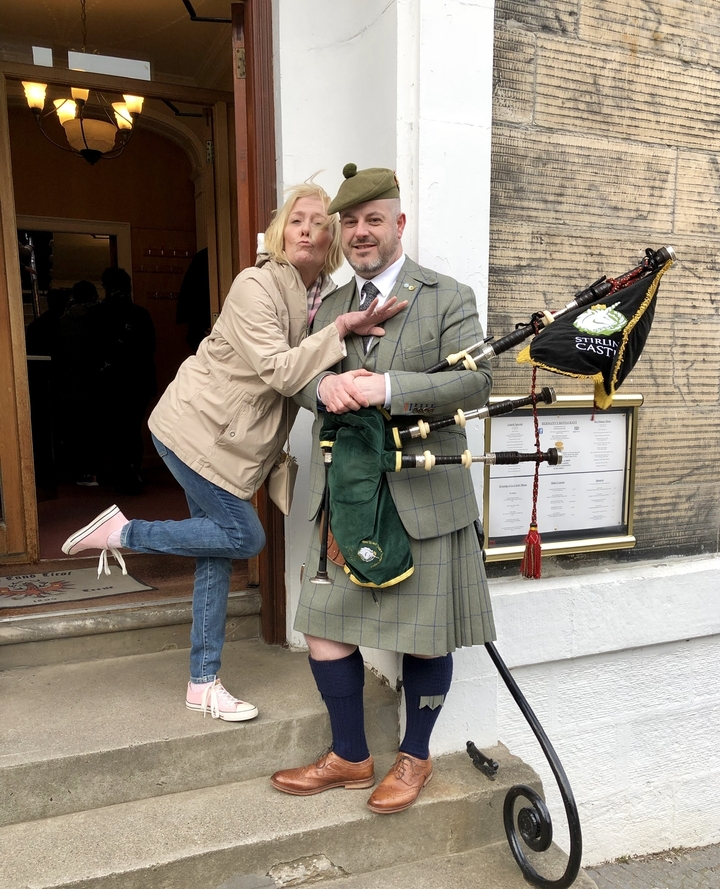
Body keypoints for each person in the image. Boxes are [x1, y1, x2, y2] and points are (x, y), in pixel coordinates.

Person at [61, 181, 407, 723]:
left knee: (216, 553)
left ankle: (202, 683)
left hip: (230, 446)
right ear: (281, 232)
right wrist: (342, 329)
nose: (307, 231)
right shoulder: (255, 285)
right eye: (297, 220)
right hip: (193, 433)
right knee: (244, 536)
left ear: (332, 238)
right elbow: (281, 370)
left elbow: (313, 364)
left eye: (319, 222)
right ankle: (122, 533)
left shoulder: (324, 296)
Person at [270, 165, 496, 814]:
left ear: (399, 223)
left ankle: (415, 754)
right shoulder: (330, 305)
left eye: (374, 219)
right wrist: (324, 387)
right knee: (323, 630)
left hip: (425, 495)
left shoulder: (447, 295)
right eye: (350, 222)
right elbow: (297, 378)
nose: (360, 232)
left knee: (426, 636)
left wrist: (387, 387)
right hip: (347, 492)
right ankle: (349, 755)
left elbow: (477, 382)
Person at [86, 268, 157, 494]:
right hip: (138, 382)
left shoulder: (95, 314)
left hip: (109, 381)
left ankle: (116, 472)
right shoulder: (141, 314)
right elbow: (150, 348)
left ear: (106, 287)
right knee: (132, 427)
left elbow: (88, 350)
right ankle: (132, 470)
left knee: (111, 428)